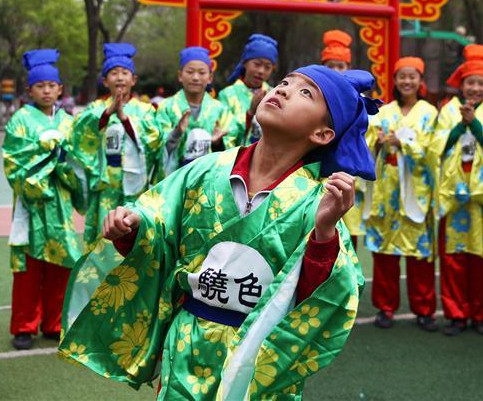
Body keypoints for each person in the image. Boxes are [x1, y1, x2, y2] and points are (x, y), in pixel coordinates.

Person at [60, 65, 378, 398]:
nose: (282, 89)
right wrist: (133, 226)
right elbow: (159, 218)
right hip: (188, 342)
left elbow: (325, 298)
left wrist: (324, 233)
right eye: (284, 82)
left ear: (323, 134)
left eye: (305, 93)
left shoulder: (318, 202)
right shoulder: (207, 170)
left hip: (259, 356)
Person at [3, 50, 85, 351]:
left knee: (61, 265)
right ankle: (24, 326)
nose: (47, 90)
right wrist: (49, 155)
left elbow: (79, 161)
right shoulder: (20, 120)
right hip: (31, 204)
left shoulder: (69, 121)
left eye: (52, 85)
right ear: (30, 91)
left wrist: (64, 164)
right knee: (29, 266)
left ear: (60, 89)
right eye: (40, 86)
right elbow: (14, 160)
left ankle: (54, 323)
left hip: (61, 203)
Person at [69, 43, 161, 309]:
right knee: (102, 246)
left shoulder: (145, 111)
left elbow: (154, 146)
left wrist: (126, 121)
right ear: (104, 79)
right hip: (105, 194)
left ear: (134, 79)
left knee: (134, 247)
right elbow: (79, 141)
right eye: (114, 72)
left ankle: (131, 304)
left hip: (136, 196)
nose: (120, 77)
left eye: (125, 72)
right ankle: (95, 304)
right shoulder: (93, 110)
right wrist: (108, 114)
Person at [430, 44, 483, 337]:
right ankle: (456, 314)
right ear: (461, 85)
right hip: (455, 195)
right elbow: (435, 147)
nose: (475, 88)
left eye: (481, 83)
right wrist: (457, 127)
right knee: (454, 258)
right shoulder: (448, 110)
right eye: (470, 82)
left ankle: (482, 314)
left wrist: (474, 125)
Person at [364, 57, 439, 331]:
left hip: (416, 191)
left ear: (420, 80)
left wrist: (404, 143)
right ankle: (386, 307)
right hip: (387, 190)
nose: (407, 81)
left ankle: (424, 308)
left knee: (418, 254)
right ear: (394, 81)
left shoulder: (430, 112)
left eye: (412, 76)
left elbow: (433, 150)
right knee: (385, 254)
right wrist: (379, 142)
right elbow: (368, 141)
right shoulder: (384, 111)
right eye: (402, 76)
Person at [154, 46, 234, 183]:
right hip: (175, 181)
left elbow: (231, 150)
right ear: (180, 75)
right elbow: (156, 147)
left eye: (202, 73)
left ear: (210, 77)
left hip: (208, 182)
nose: (195, 78)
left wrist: (217, 144)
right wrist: (176, 133)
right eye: (190, 72)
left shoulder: (221, 110)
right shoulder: (166, 107)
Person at [320, 30, 365, 249]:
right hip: (320, 173)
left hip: (350, 173)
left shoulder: (361, 100)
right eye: (331, 66)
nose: (336, 71)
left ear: (349, 68)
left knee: (349, 227)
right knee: (319, 226)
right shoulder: (314, 97)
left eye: (341, 66)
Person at [218, 33, 278, 147]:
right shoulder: (227, 95)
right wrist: (250, 113)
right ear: (244, 62)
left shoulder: (275, 94)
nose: (261, 71)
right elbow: (226, 134)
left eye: (267, 67)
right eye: (257, 64)